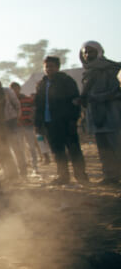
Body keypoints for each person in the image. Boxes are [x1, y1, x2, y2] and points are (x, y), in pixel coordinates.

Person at [34, 56, 89, 185]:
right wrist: (38, 123)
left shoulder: (66, 81)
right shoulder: (41, 84)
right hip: (49, 123)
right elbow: (39, 106)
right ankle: (63, 176)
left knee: (74, 149)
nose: (49, 69)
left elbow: (75, 102)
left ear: (57, 67)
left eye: (51, 66)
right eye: (46, 67)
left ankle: (81, 176)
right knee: (57, 151)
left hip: (66, 121)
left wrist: (73, 120)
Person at [79, 41, 121, 185]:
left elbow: (117, 91)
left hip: (113, 115)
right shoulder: (87, 72)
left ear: (99, 52)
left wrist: (99, 97)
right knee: (104, 150)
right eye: (85, 52)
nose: (87, 55)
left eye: (91, 52)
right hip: (96, 116)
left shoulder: (112, 69)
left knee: (117, 147)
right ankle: (111, 177)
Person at [11, 83, 40, 174]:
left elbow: (34, 110)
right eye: (13, 90)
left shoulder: (28, 99)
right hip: (18, 127)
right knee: (21, 148)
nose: (15, 91)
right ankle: (25, 165)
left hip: (28, 125)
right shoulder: (11, 101)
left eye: (16, 89)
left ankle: (35, 166)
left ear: (19, 89)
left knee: (31, 147)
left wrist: (31, 118)